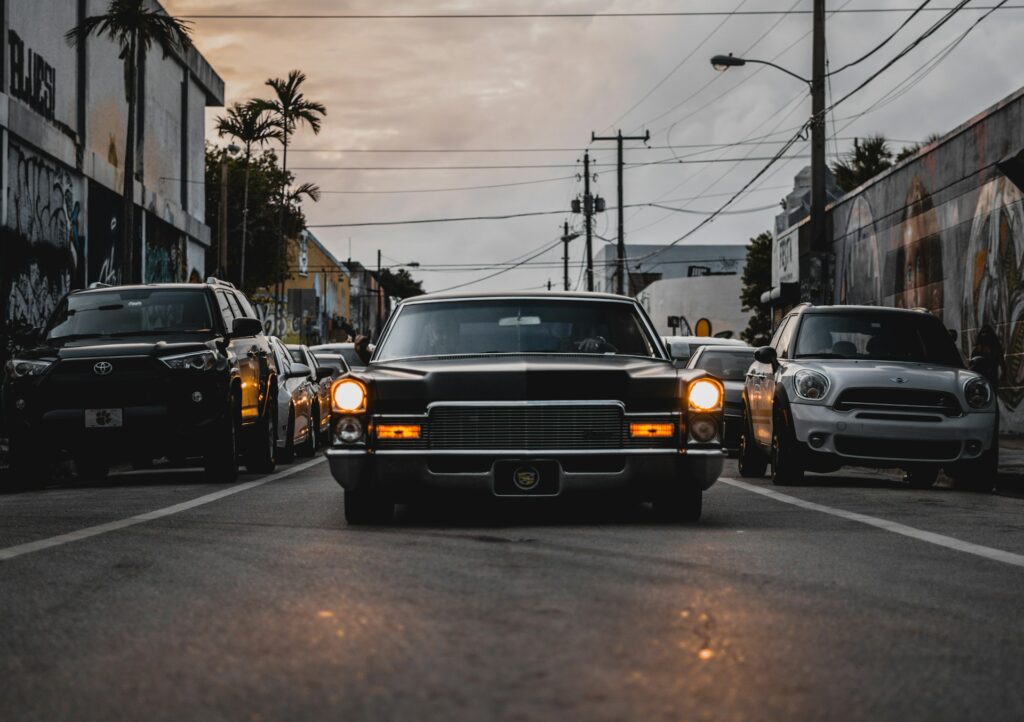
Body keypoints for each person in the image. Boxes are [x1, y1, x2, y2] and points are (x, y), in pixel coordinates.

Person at [973, 324, 1006, 389]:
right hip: (980, 376)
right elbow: (973, 362)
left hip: (992, 376)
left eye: (986, 332)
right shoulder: (977, 349)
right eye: (983, 332)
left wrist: (1003, 374)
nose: (984, 334)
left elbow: (1001, 361)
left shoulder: (995, 348)